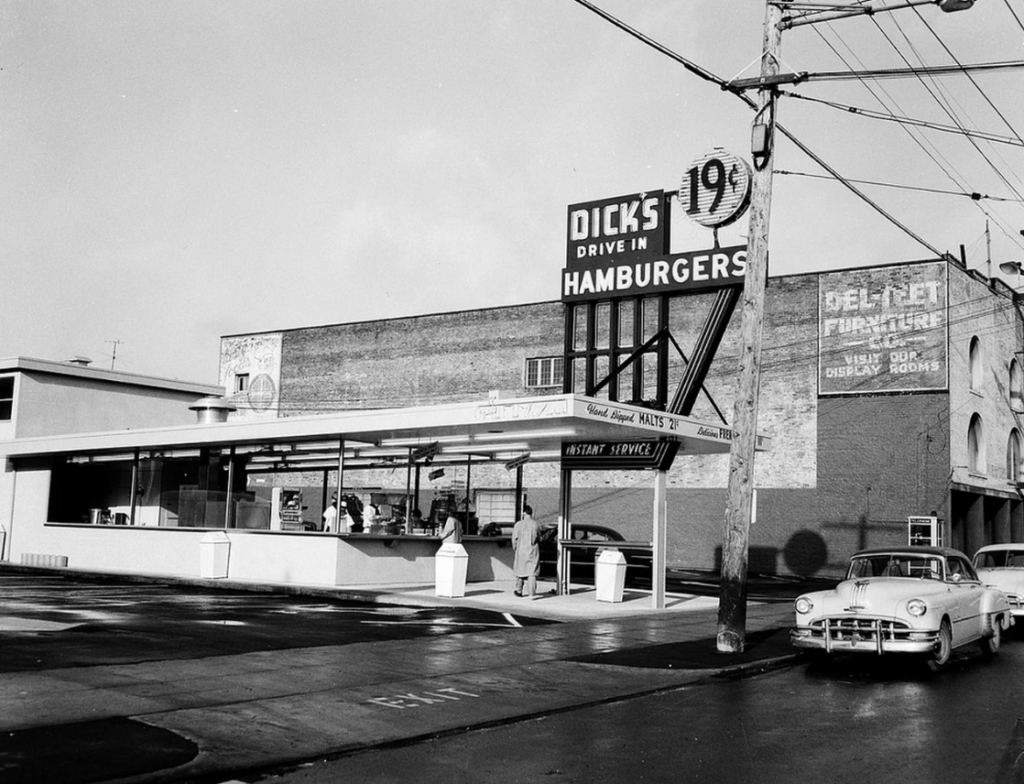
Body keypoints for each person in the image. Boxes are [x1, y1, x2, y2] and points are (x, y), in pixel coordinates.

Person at [511, 504, 540, 599]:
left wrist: (515, 548)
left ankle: (519, 590)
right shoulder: (535, 524)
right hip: (533, 551)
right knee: (532, 573)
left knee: (520, 571)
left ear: (524, 513)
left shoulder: (518, 524)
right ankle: (532, 594)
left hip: (521, 550)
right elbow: (539, 537)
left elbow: (514, 539)